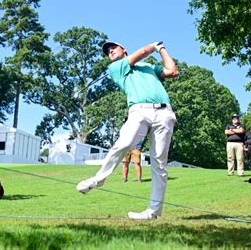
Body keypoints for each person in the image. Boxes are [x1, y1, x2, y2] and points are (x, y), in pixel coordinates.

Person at [76, 40, 178, 220]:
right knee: (124, 143)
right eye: (108, 52)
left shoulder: (148, 67)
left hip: (164, 113)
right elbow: (143, 52)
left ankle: (153, 212)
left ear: (124, 50)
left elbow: (172, 71)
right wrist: (153, 45)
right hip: (138, 111)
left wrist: (162, 48)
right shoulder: (116, 68)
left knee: (159, 163)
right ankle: (99, 179)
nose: (110, 52)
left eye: (113, 48)